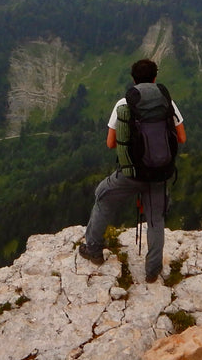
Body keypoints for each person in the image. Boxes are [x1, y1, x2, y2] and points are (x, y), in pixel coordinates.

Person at [79, 58, 185, 282]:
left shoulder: (123, 105)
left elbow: (110, 143)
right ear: (155, 78)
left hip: (132, 173)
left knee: (103, 197)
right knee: (156, 219)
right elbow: (182, 137)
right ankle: (152, 272)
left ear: (134, 79)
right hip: (160, 173)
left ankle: (94, 250)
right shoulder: (167, 102)